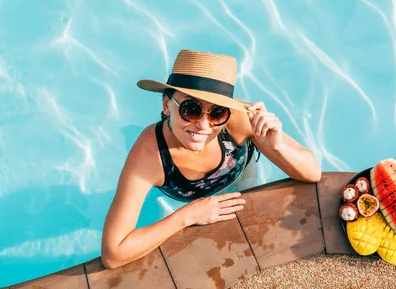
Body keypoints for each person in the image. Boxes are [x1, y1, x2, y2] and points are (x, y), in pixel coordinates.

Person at [101, 49, 321, 269]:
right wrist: (186, 216)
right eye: (191, 108)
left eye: (217, 112)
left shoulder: (240, 120)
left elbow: (313, 173)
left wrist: (278, 147)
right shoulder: (150, 156)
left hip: (240, 183)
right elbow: (113, 253)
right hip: (188, 205)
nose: (204, 125)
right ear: (167, 105)